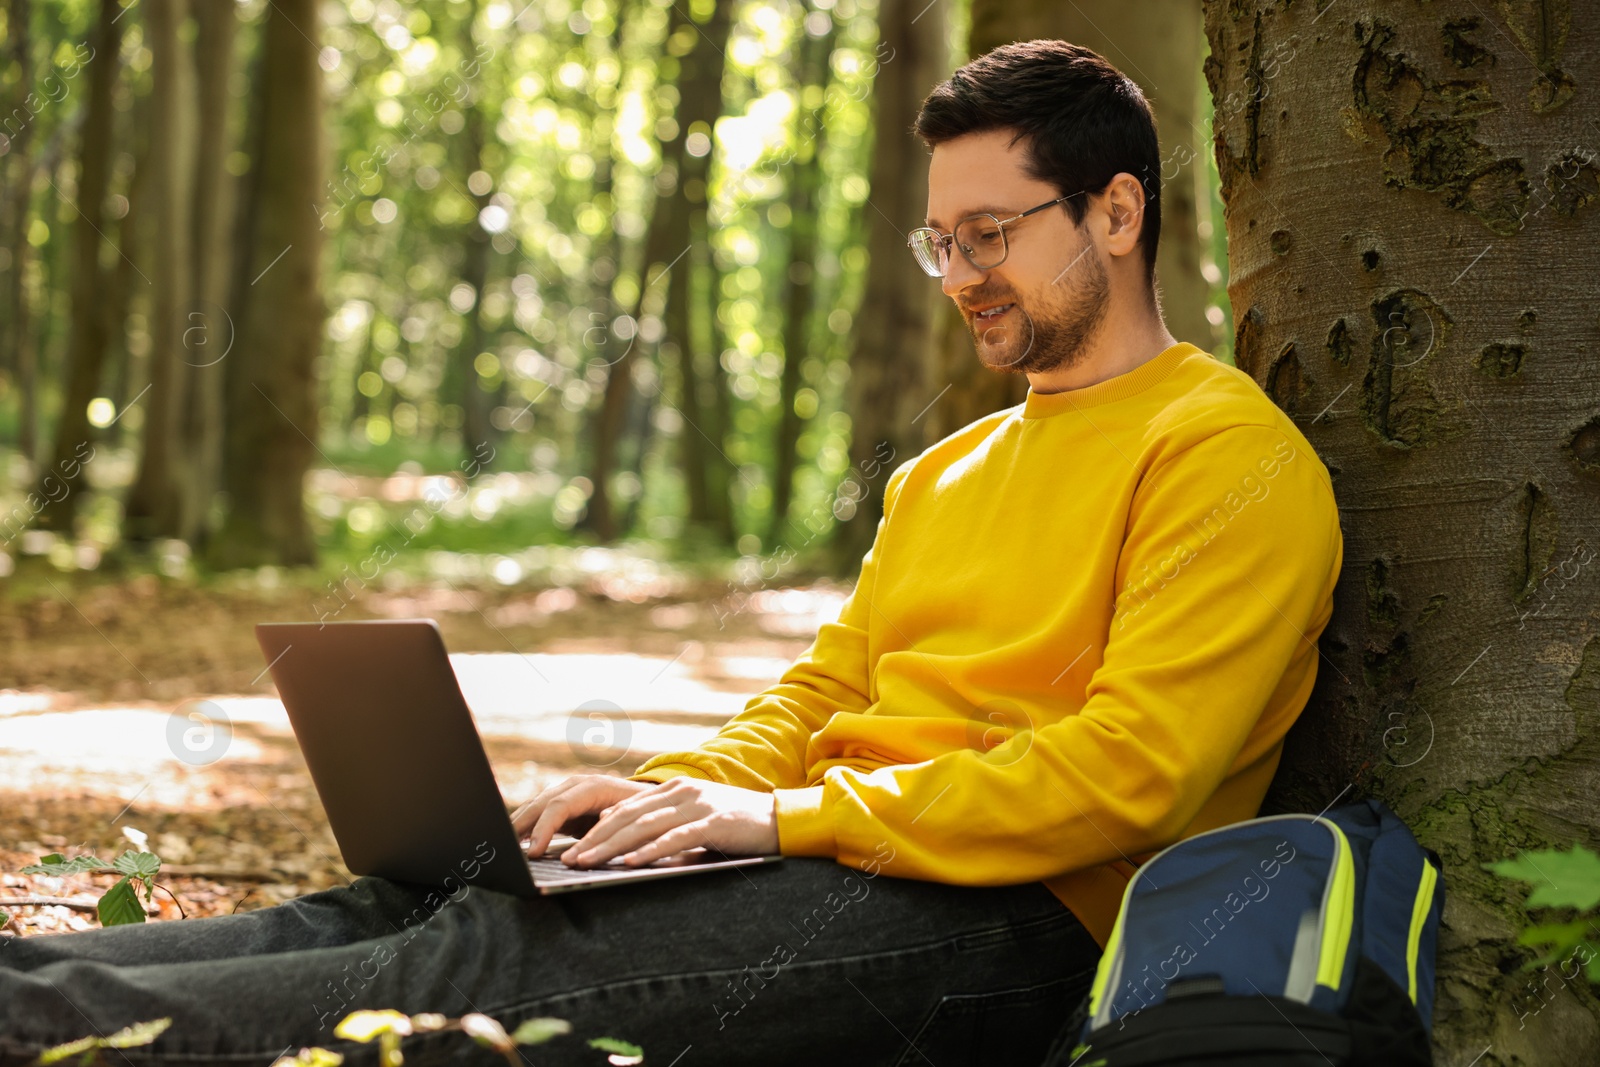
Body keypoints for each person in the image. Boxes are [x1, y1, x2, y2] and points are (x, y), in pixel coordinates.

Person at [0, 39, 1341, 1067]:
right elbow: (818, 699)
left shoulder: (1225, 455)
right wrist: (661, 801)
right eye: (943, 241)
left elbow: (1136, 776)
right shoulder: (948, 470)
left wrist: (781, 820)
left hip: (1017, 922)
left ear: (1117, 211)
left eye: (992, 235)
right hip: (829, 860)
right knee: (406, 905)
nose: (962, 275)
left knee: (478, 971)